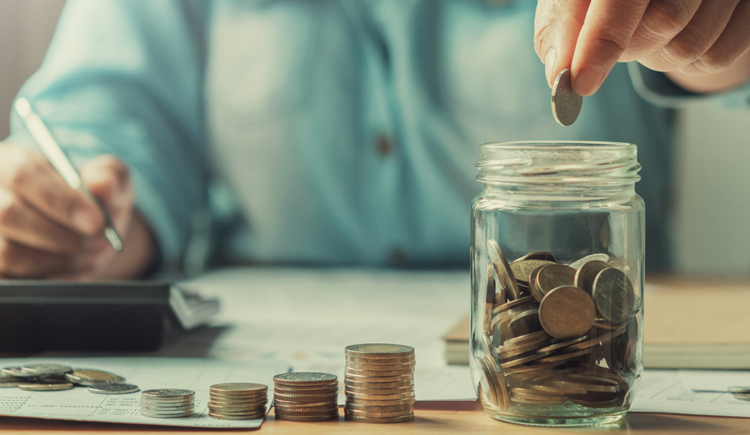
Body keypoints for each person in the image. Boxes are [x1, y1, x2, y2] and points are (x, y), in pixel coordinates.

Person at [1, 0, 749, 280]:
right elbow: (107, 159)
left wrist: (721, 38)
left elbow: (723, 61)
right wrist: (68, 227)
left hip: (582, 366)